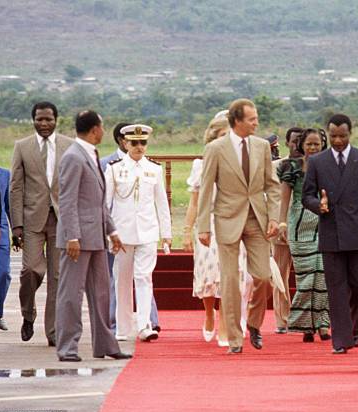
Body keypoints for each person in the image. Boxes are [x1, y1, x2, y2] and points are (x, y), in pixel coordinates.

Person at [196, 99, 281, 354]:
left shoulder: (262, 146)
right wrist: (203, 226)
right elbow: (206, 187)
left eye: (256, 118)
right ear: (237, 121)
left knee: (264, 277)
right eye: (252, 119)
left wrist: (274, 217)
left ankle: (254, 324)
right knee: (230, 280)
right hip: (227, 219)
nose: (257, 123)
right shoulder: (216, 149)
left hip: (257, 218)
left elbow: (272, 185)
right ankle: (234, 338)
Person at [302, 114, 358, 354]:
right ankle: (341, 339)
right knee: (336, 288)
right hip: (331, 233)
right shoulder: (317, 162)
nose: (338, 141)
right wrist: (319, 205)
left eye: (343, 136)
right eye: (334, 136)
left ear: (351, 134)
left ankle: (353, 329)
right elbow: (307, 196)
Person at [55, 110, 131, 362]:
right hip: (77, 239)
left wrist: (112, 230)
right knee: (70, 294)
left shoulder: (91, 153)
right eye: (101, 126)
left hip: (97, 235)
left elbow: (97, 201)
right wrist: (72, 236)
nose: (102, 130)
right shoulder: (73, 157)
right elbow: (67, 200)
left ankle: (105, 345)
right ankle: (67, 347)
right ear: (94, 129)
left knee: (101, 293)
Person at [184, 114, 253, 346]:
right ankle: (209, 313)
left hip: (234, 224)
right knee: (209, 277)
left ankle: (226, 325)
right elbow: (194, 202)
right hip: (208, 225)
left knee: (231, 276)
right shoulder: (200, 165)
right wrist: (187, 230)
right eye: (223, 137)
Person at [10, 101, 74, 346]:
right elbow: (16, 187)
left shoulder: (69, 146)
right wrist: (16, 225)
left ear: (56, 119)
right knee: (30, 270)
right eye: (39, 119)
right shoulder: (22, 147)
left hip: (60, 219)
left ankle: (53, 331)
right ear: (33, 120)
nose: (44, 124)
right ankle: (28, 314)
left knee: (57, 276)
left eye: (48, 119)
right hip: (31, 220)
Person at [105, 124, 172, 342]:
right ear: (125, 143)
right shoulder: (114, 168)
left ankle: (144, 325)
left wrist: (166, 233)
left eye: (143, 142)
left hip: (147, 232)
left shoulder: (154, 169)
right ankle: (123, 328)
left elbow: (162, 203)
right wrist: (107, 233)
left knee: (144, 277)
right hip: (121, 233)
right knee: (122, 281)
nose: (139, 147)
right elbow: (106, 204)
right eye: (134, 143)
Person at [278, 128, 331, 342]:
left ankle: (323, 324)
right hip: (299, 227)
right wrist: (282, 223)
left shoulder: (329, 166)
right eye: (309, 144)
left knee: (324, 276)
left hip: (325, 225)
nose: (313, 148)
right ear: (301, 146)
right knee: (307, 278)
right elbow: (284, 198)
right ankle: (305, 326)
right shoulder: (291, 167)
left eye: (316, 144)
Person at [272, 127, 302, 334]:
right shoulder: (275, 166)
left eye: (301, 141)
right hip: (280, 228)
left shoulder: (312, 165)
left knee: (305, 275)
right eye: (293, 141)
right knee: (280, 275)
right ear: (286, 143)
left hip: (304, 228)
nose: (297, 145)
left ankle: (302, 317)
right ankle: (282, 319)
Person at [0, 168, 7, 331]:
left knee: (3, 273)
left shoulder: (5, 175)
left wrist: (18, 232)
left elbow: (9, 205)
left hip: (1, 230)